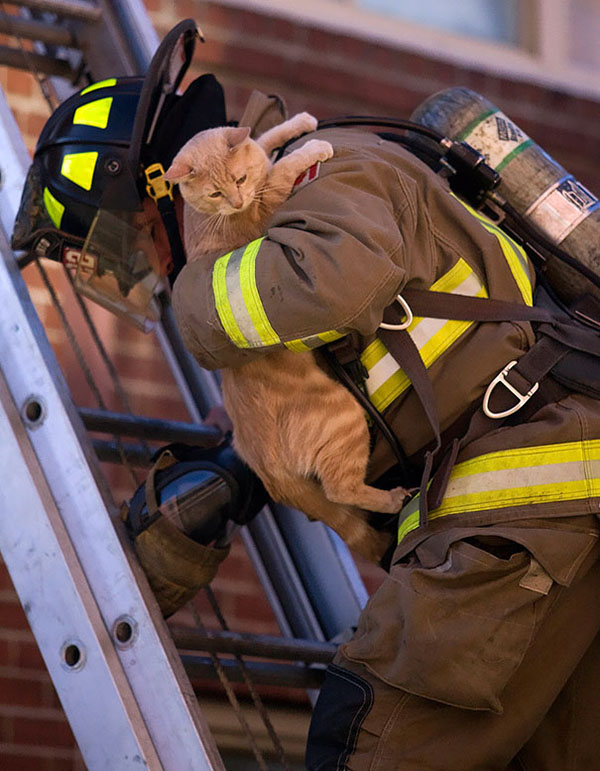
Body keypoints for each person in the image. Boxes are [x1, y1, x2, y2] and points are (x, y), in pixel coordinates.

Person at [13, 20, 600, 771]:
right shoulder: (279, 220)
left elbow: (329, 281)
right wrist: (236, 466)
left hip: (519, 514)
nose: (151, 270)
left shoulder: (328, 170)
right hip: (549, 522)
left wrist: (199, 291)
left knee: (364, 742)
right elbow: (334, 376)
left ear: (165, 186)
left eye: (131, 243)